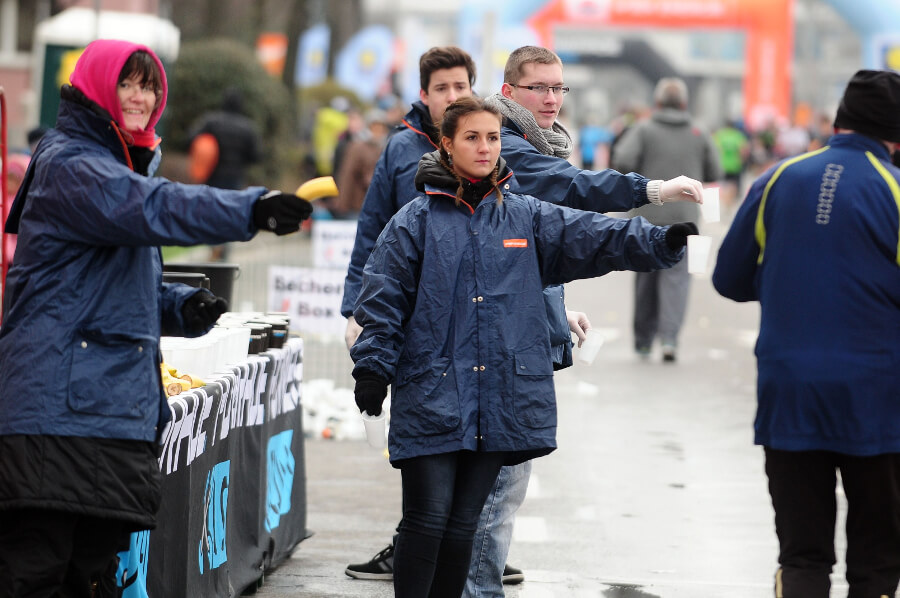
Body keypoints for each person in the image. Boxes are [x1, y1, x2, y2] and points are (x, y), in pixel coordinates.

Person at [0, 39, 313, 597]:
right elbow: (154, 207)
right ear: (96, 88)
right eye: (128, 83)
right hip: (57, 409)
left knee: (86, 574)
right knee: (36, 571)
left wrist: (176, 305)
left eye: (149, 86)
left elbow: (96, 282)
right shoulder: (74, 163)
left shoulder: (111, 163)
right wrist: (251, 209)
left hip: (100, 407)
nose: (141, 97)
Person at [351, 95, 697, 598]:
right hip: (432, 392)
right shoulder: (414, 221)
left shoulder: (526, 217)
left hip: (500, 397)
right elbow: (382, 300)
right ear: (447, 146)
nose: (485, 147)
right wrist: (373, 369)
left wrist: (660, 241)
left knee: (465, 523)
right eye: (472, 137)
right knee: (426, 518)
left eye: (492, 137)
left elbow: (595, 235)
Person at [712, 69, 900, 598]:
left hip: (789, 392)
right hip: (878, 400)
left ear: (840, 120)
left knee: (801, 557)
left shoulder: (776, 178)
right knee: (877, 563)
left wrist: (792, 283)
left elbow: (730, 279)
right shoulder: (893, 189)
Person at [611, 77, 722, 362]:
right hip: (684, 218)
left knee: (646, 278)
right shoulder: (699, 132)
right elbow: (714, 170)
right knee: (677, 279)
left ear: (657, 103)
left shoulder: (643, 129)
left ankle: (644, 341)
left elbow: (622, 160)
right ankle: (670, 339)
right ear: (684, 104)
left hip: (647, 214)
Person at [188, 86, 263, 261]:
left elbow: (191, 139)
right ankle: (223, 250)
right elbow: (256, 156)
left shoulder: (211, 121)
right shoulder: (248, 128)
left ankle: (214, 247)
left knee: (211, 210)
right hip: (234, 177)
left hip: (212, 175)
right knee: (229, 213)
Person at [331, 108, 390, 219]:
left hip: (378, 204)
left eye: (381, 128)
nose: (378, 131)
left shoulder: (386, 147)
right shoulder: (357, 147)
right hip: (357, 203)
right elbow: (347, 175)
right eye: (374, 127)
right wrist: (342, 202)